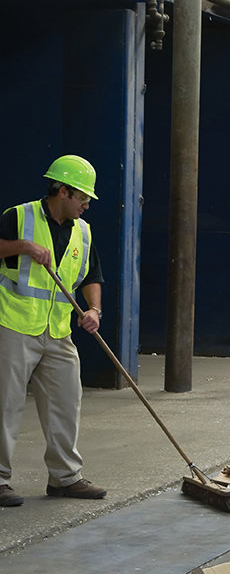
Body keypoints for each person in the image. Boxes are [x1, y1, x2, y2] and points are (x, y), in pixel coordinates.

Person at [0, 155, 106, 506]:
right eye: (82, 198)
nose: (87, 205)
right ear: (63, 191)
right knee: (6, 404)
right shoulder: (18, 217)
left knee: (66, 402)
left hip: (58, 332)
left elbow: (91, 277)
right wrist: (24, 247)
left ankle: (65, 478)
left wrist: (94, 310)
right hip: (14, 323)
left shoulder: (84, 232)